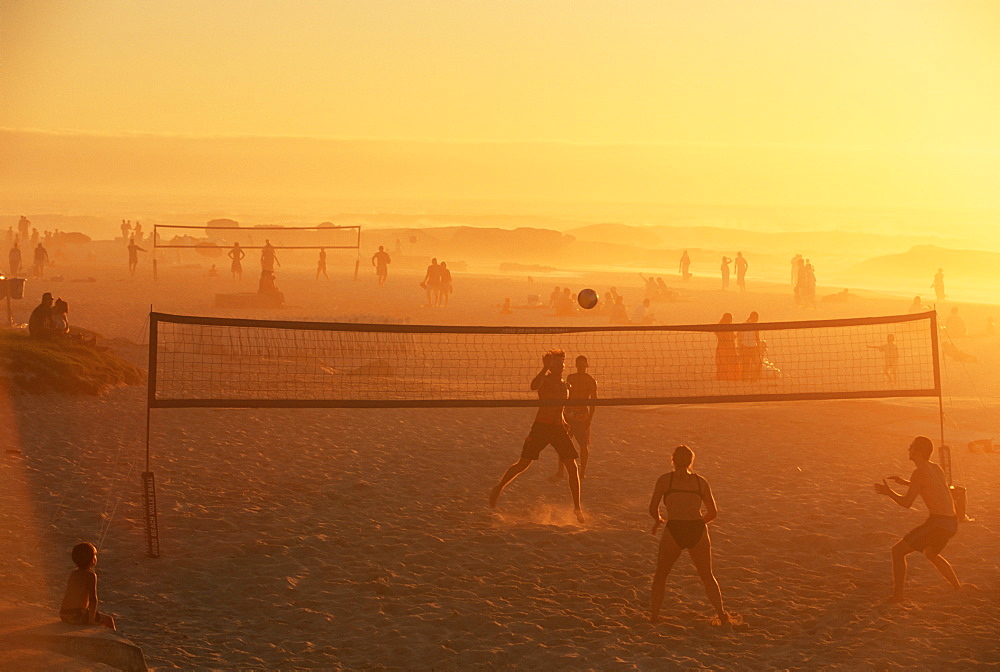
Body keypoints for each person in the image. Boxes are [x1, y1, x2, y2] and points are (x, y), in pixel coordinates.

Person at [490, 349, 584, 523]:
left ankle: (577, 508)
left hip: (558, 429)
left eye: (561, 361)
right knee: (523, 464)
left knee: (572, 467)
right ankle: (498, 488)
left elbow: (560, 408)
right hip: (541, 427)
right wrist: (543, 369)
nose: (559, 364)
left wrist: (564, 421)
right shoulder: (545, 380)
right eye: (555, 362)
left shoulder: (566, 385)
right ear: (549, 365)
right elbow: (534, 386)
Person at [648, 445, 729, 624]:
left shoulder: (665, 480)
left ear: (673, 460)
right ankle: (722, 615)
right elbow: (713, 513)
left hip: (674, 529)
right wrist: (698, 524)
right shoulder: (701, 482)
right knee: (707, 576)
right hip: (697, 529)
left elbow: (653, 509)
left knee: (661, 575)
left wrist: (659, 520)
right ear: (691, 461)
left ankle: (654, 616)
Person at [873, 436, 961, 602]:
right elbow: (929, 486)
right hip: (952, 522)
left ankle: (898, 596)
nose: (909, 449)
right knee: (931, 553)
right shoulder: (936, 468)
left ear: (919, 452)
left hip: (938, 523)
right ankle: (957, 587)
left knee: (897, 551)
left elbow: (906, 503)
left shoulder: (918, 473)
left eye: (911, 447)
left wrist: (889, 492)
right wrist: (905, 482)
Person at [551, 355, 598, 481]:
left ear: (586, 365)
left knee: (583, 445)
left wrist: (589, 420)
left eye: (583, 364)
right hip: (569, 414)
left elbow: (594, 402)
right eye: (579, 364)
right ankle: (560, 471)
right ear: (577, 365)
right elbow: (565, 397)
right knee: (563, 444)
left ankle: (582, 472)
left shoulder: (590, 380)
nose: (581, 366)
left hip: (582, 416)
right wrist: (561, 414)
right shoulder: (570, 378)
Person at [60, 542, 116, 630]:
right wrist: (91, 619)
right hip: (76, 616)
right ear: (92, 560)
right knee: (109, 620)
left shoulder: (74, 573)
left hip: (64, 613)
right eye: (95, 555)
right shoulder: (91, 576)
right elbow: (93, 599)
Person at [715, 313, 740, 381]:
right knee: (728, 363)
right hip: (727, 348)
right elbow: (729, 337)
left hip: (723, 347)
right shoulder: (726, 327)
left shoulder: (720, 326)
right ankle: (729, 377)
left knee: (722, 363)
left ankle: (724, 377)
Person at [738, 312, 761, 381]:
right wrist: (759, 347)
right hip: (751, 347)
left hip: (746, 346)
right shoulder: (754, 326)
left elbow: (739, 336)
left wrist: (739, 346)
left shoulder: (743, 324)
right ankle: (752, 378)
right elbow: (757, 338)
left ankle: (746, 379)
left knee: (746, 364)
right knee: (757, 363)